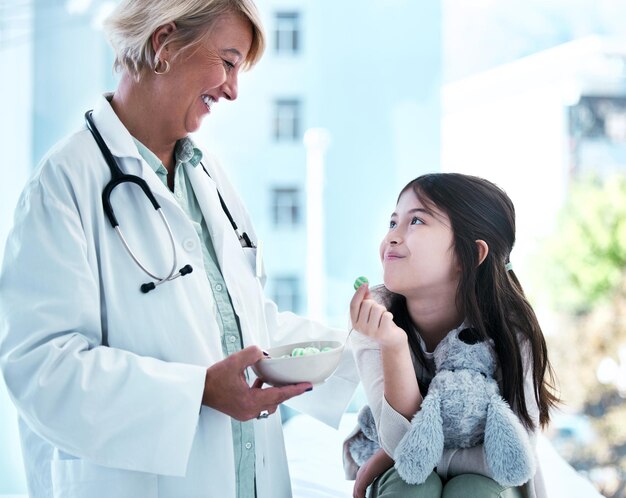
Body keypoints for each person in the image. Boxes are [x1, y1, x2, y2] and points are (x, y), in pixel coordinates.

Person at [0, 1, 358, 497]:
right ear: (164, 43)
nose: (233, 90)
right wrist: (197, 393)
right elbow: (43, 368)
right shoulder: (64, 184)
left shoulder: (209, 178)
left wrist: (366, 355)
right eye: (229, 62)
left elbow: (245, 325)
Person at [344, 173, 558, 498]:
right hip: (406, 473)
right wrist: (394, 346)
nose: (392, 237)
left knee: (473, 490)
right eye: (393, 222)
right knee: (411, 487)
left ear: (469, 255)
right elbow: (400, 444)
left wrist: (389, 457)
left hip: (491, 482)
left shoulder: (512, 331)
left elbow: (512, 457)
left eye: (415, 221)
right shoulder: (375, 320)